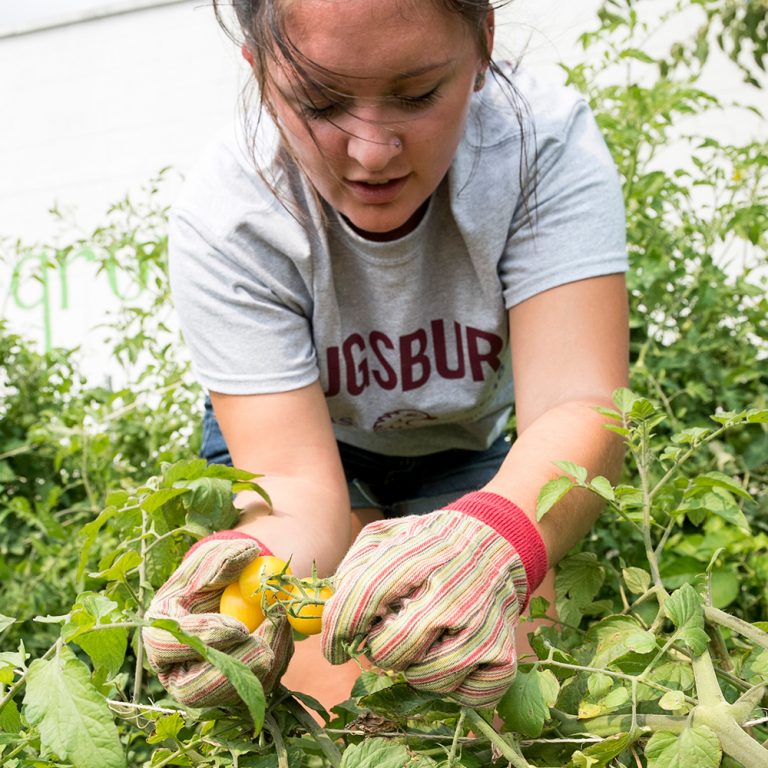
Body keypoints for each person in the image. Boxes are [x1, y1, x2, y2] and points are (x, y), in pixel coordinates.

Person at [142, 0, 629, 712]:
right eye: (318, 100)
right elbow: (296, 488)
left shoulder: (540, 148)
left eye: (417, 94)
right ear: (258, 67)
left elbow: (576, 404)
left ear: (484, 45)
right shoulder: (230, 216)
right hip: (313, 451)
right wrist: (242, 585)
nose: (371, 151)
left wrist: (493, 539)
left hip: (467, 444)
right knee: (343, 702)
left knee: (508, 679)